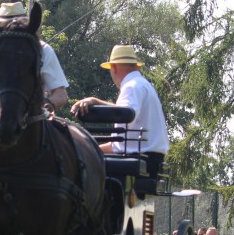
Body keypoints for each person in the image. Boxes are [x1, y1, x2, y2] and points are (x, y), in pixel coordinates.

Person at [0, 0, 70, 165]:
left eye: (15, 23)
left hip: (32, 126)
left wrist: (49, 104)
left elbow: (60, 93)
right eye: (7, 24)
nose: (12, 27)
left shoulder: (44, 50)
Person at [71, 44, 168, 176]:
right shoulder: (142, 85)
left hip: (139, 157)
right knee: (82, 153)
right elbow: (125, 113)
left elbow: (125, 113)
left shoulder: (132, 87)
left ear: (114, 68)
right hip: (150, 157)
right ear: (135, 66)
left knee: (75, 164)